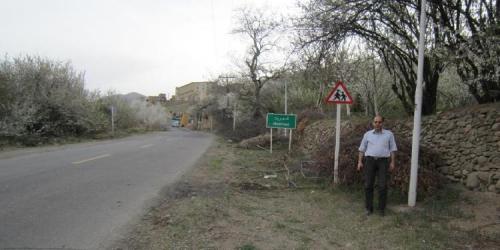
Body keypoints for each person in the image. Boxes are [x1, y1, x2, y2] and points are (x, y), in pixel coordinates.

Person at [357, 115, 397, 216]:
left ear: (382, 123)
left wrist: (392, 162)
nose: (377, 124)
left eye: (379, 122)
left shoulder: (389, 134)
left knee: (383, 186)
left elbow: (392, 149)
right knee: (368, 185)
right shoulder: (367, 135)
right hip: (370, 161)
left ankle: (381, 209)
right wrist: (360, 162)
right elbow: (362, 149)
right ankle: (368, 208)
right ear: (372, 123)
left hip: (383, 162)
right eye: (375, 122)